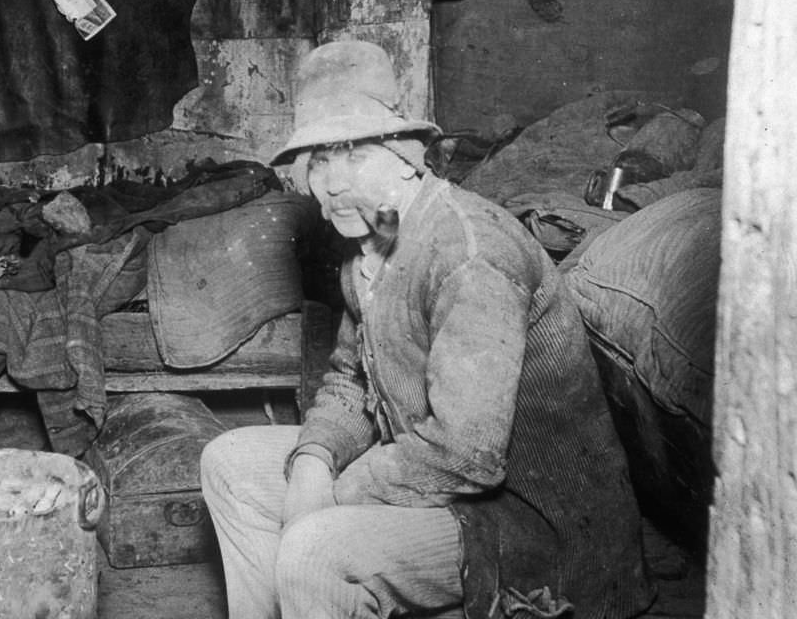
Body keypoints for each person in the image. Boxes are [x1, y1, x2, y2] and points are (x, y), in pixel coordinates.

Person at [200, 40, 653, 619]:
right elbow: (349, 378)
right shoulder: (373, 240)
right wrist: (314, 458)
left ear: (407, 153)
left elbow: (469, 453)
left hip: (528, 522)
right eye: (318, 161)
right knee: (230, 463)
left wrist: (334, 494)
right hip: (428, 472)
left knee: (316, 549)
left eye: (353, 155)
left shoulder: (469, 253)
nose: (332, 183)